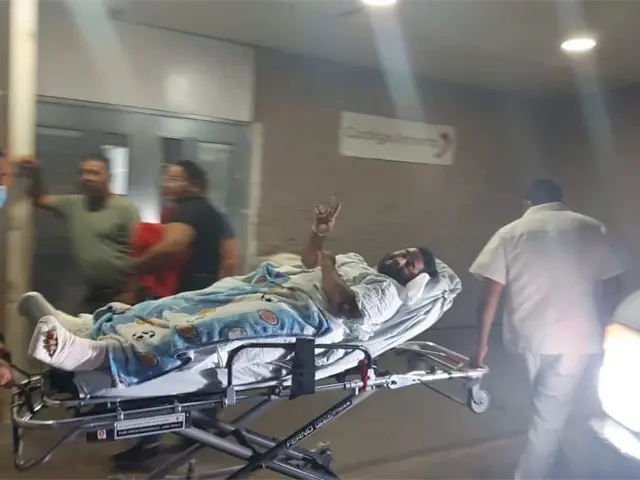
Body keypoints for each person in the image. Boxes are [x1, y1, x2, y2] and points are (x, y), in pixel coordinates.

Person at [468, 179, 624, 480]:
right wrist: (605, 325)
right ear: (560, 199)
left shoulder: (510, 233)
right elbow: (613, 283)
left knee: (541, 411)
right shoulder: (591, 228)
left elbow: (489, 294)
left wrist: (481, 346)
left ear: (527, 203)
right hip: (577, 338)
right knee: (550, 411)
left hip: (527, 339)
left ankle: (534, 473)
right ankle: (555, 465)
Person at [113, 160, 240, 469]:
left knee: (158, 370)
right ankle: (199, 430)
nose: (166, 183)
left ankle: (149, 443)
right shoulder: (214, 215)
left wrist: (136, 265)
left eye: (174, 178)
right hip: (203, 304)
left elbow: (173, 244)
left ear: (193, 184)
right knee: (199, 369)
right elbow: (230, 259)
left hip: (180, 304)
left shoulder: (187, 212)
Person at [18, 155, 140, 313]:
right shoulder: (74, 204)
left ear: (109, 177)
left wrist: (131, 291)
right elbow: (39, 198)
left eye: (94, 173)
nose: (87, 177)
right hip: (93, 291)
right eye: (83, 172)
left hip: (122, 292)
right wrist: (35, 173)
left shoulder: (125, 209)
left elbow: (140, 250)